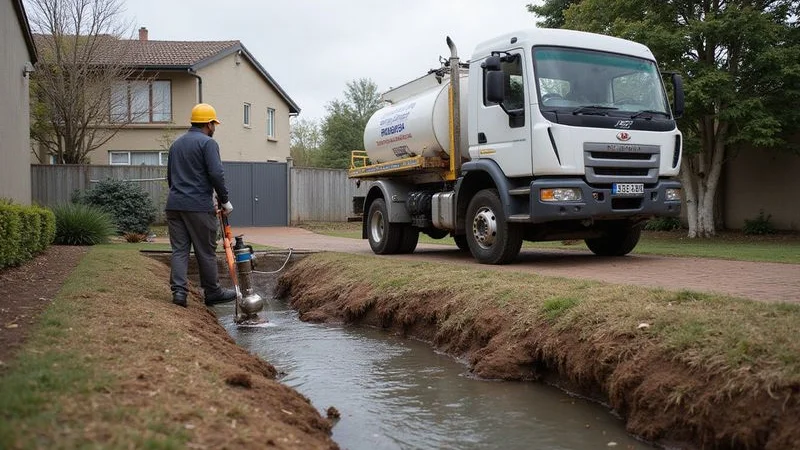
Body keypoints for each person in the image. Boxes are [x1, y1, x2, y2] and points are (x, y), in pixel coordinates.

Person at [166, 103, 236, 308]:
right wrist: (225, 200)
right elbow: (216, 173)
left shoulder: (176, 144)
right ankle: (213, 292)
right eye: (214, 124)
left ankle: (179, 293)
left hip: (174, 205)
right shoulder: (208, 143)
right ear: (208, 124)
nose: (214, 128)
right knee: (205, 250)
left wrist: (179, 195)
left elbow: (170, 177)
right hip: (197, 206)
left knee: (179, 250)